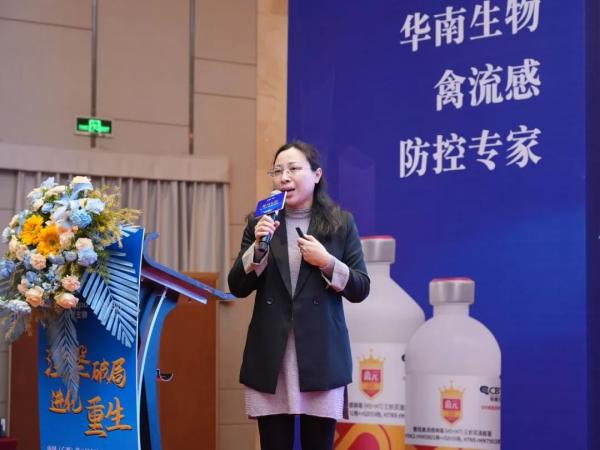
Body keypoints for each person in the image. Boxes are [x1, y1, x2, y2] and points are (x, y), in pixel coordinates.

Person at [227, 140, 370, 450]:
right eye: (277, 171)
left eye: (293, 169)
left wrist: (327, 262)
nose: (284, 177)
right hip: (272, 358)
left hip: (321, 357)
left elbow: (361, 287)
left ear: (316, 175)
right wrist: (258, 248)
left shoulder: (340, 223)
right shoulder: (260, 223)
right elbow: (236, 286)